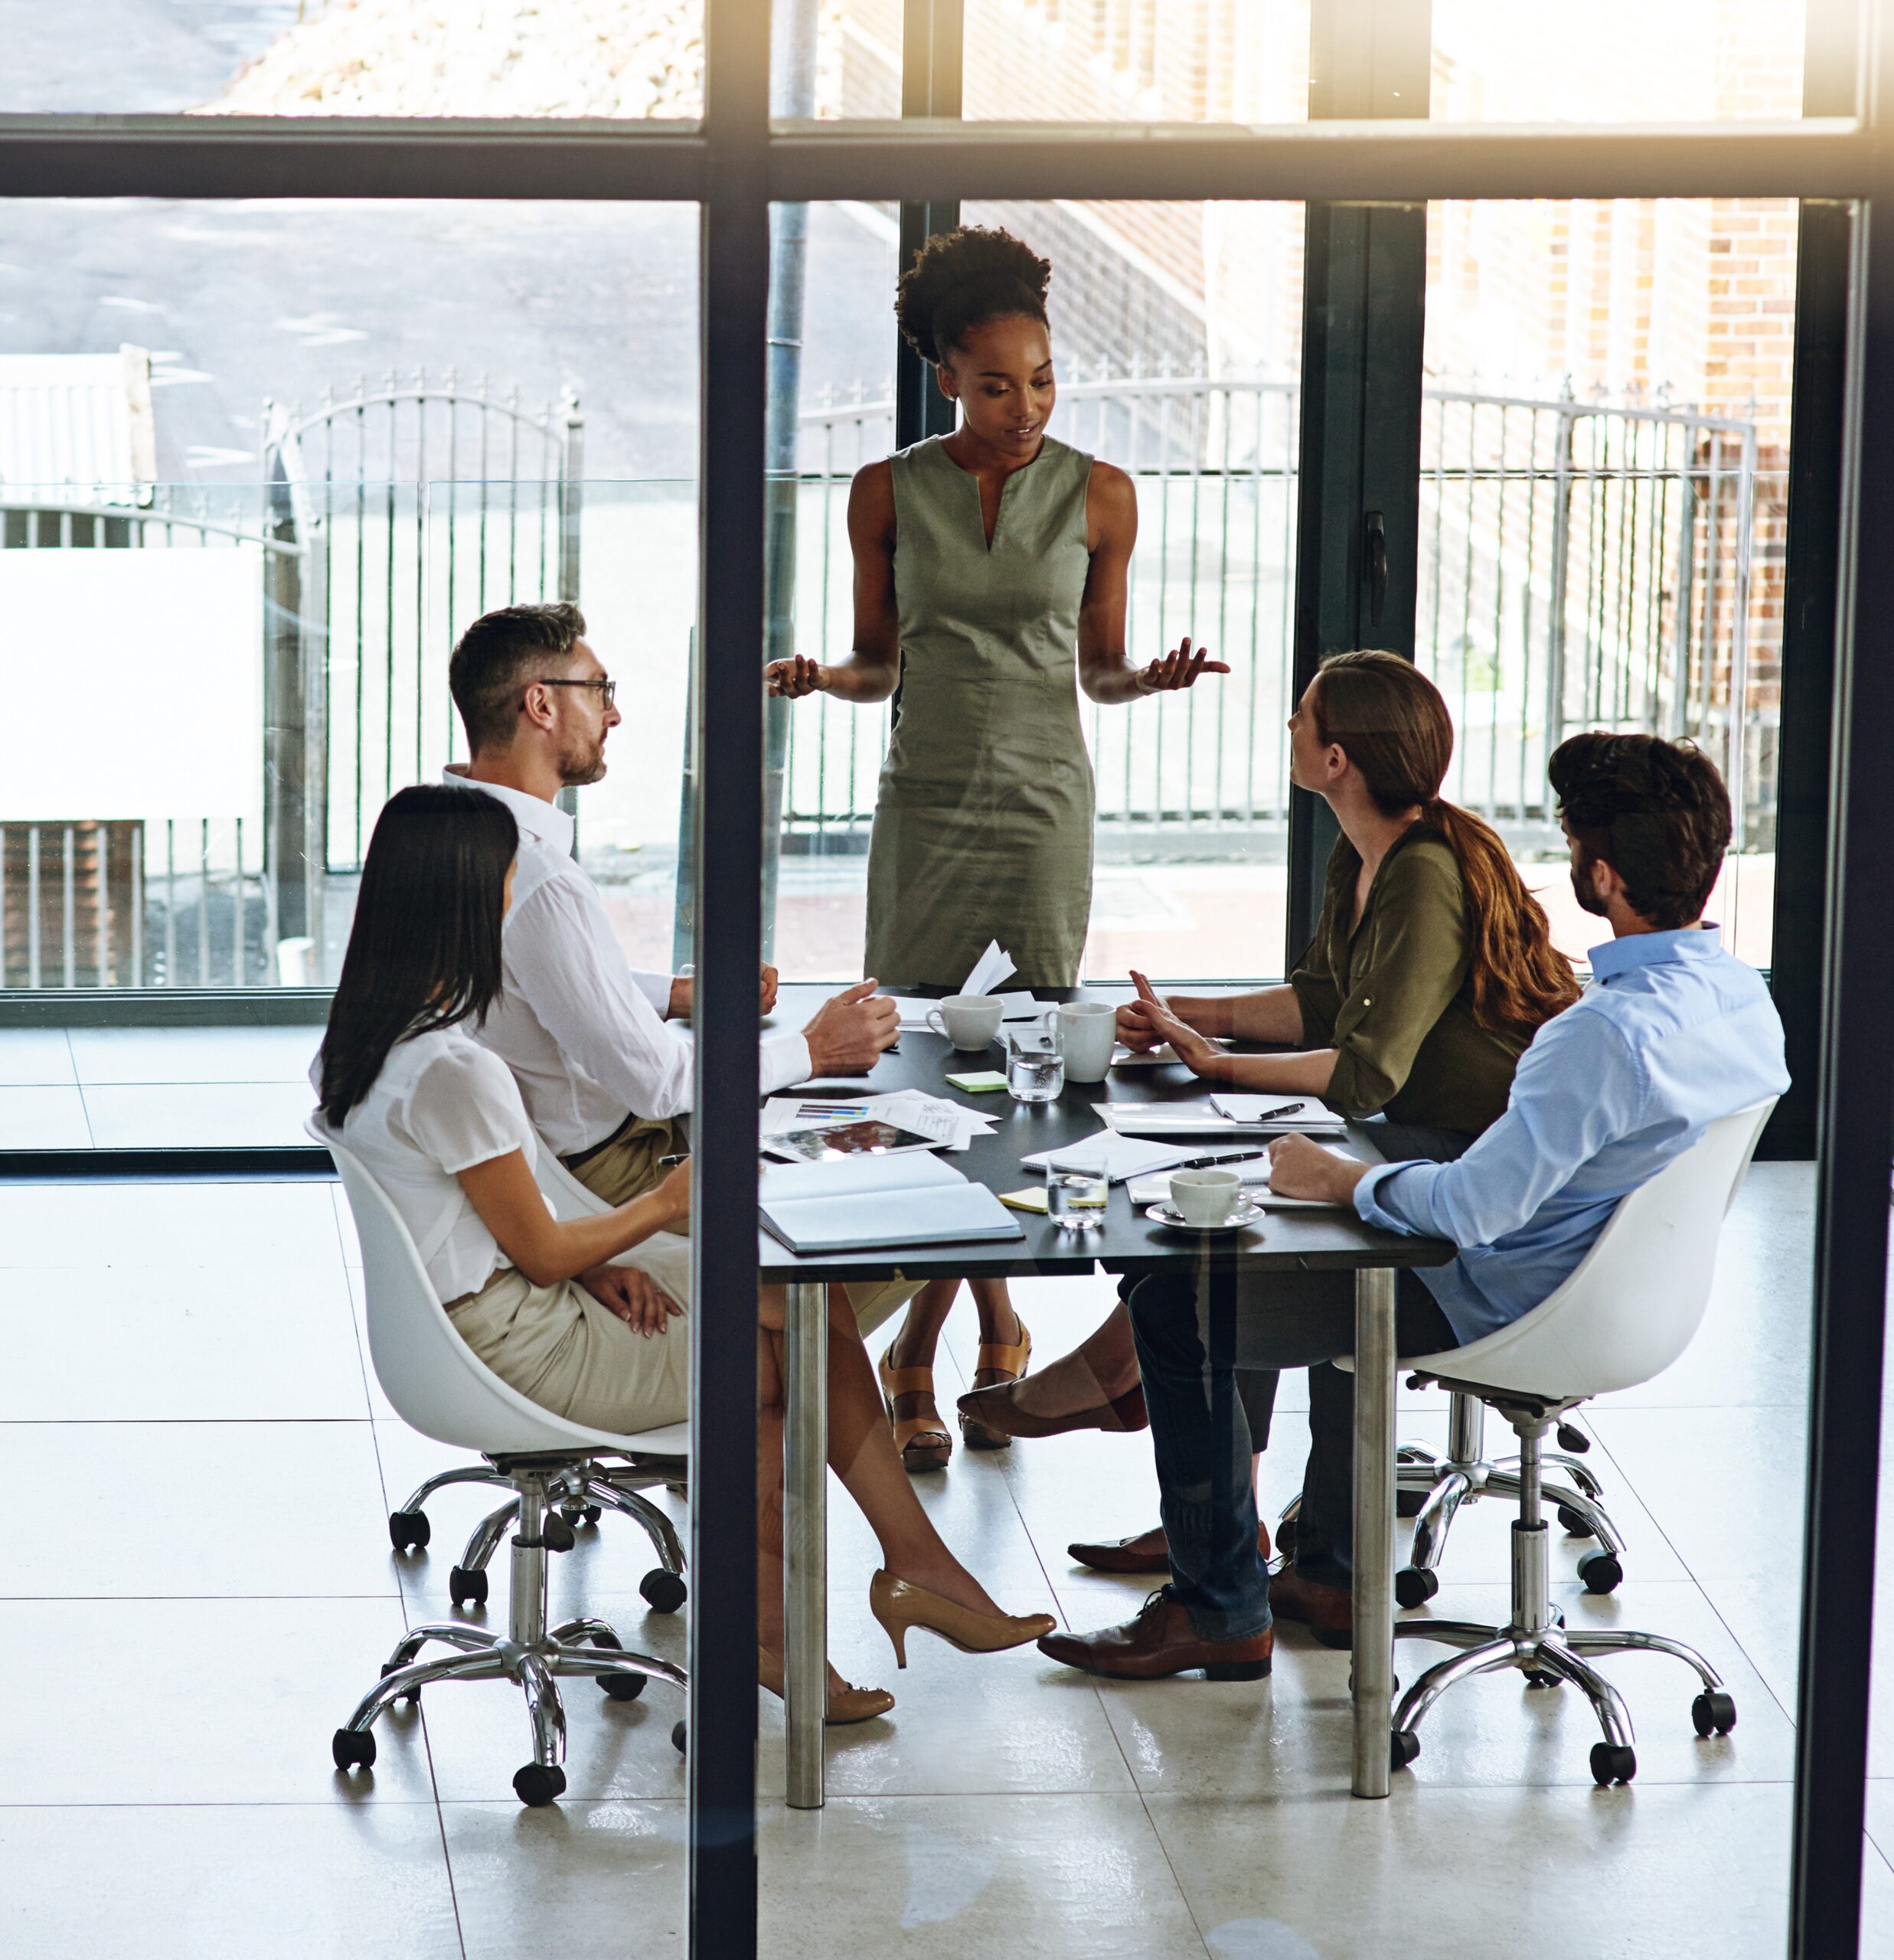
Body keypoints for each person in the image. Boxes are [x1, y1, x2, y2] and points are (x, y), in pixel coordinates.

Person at [1037, 731, 1789, 1684]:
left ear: (1598, 873)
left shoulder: (1598, 1034)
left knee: (1179, 1305)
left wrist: (1338, 1178)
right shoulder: (1735, 997)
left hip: (1498, 1292)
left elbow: (1470, 1210)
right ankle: (1313, 1569)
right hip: (1627, 1298)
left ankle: (1216, 1607)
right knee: (1256, 1249)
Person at [315, 784, 1056, 1723]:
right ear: (466, 900)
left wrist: (597, 1257)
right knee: (795, 1348)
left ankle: (844, 1607)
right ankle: (879, 1586)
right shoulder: (457, 1069)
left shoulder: (374, 1039)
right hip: (515, 1340)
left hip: (474, 1317)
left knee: (799, 1315)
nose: (515, 898)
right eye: (505, 880)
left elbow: (489, 1222)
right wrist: (664, 1202)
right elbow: (536, 1250)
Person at [958, 651, 1579, 1632]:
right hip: (1413, 1137)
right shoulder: (1366, 853)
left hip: (1465, 1165)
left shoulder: (1422, 873)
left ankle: (1219, 1548)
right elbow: (1325, 1002)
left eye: (1299, 717)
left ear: (1336, 757)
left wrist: (1218, 1067)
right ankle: (1282, 1547)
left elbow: (1365, 1069)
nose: (1285, 728)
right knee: (1239, 1244)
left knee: (1226, 1261)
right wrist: (1180, 1016)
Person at [767, 224, 1229, 1472]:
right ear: (943, 377)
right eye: (993, 384)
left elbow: (1097, 669)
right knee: (910, 1076)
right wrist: (822, 675)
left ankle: (914, 1352)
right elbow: (879, 664)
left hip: (1038, 813)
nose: (1021, 407)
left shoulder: (1098, 494)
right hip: (922, 807)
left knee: (1020, 1086)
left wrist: (1152, 678)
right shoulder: (884, 490)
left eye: (1039, 382)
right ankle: (989, 1315)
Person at [444, 600, 923, 1346]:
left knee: (850, 1213)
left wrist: (670, 993)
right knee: (883, 1230)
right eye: (599, 690)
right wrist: (812, 1049)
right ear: (539, 704)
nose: (615, 713)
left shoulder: (452, 826)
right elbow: (657, 1083)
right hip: (607, 1171)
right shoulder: (537, 874)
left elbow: (525, 979)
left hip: (566, 1156)